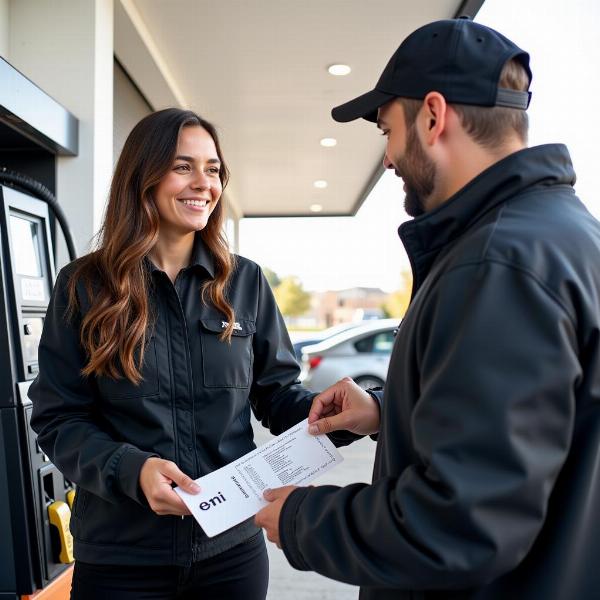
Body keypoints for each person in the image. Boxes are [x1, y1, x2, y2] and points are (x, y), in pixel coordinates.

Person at [255, 17, 600, 599]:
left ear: (434, 116)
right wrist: (386, 411)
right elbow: (528, 432)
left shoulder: (496, 264)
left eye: (387, 130)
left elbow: (457, 527)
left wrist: (299, 519)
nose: (388, 158)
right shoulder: (564, 237)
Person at [28, 108, 357, 600]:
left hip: (230, 555)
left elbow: (276, 395)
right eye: (183, 166)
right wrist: (132, 470)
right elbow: (59, 418)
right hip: (121, 560)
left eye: (213, 168)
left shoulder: (243, 282)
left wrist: (340, 416)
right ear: (144, 176)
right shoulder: (84, 286)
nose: (203, 182)